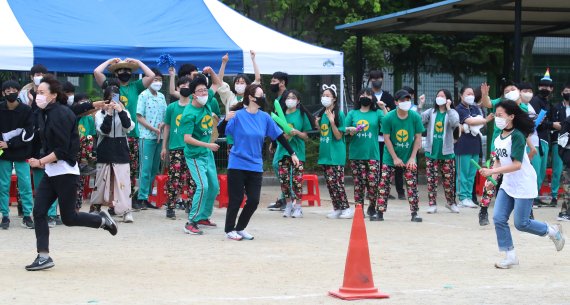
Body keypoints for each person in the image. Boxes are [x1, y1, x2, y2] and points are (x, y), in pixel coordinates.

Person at [25, 75, 117, 271]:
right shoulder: (46, 112)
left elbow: (61, 151)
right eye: (36, 92)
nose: (37, 95)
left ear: (53, 95)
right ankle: (43, 256)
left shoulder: (59, 114)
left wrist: (40, 161)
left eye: (41, 92)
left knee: (69, 218)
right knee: (39, 212)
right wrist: (93, 104)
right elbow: (73, 110)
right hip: (51, 172)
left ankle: (101, 220)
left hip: (65, 172)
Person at [479, 99, 565, 269]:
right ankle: (510, 256)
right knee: (498, 218)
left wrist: (491, 173)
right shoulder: (497, 138)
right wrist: (493, 181)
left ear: (511, 116)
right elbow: (498, 162)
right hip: (508, 183)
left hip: (524, 183)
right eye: (496, 115)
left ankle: (552, 231)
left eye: (500, 115)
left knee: (521, 223)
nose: (497, 118)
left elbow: (517, 165)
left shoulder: (517, 136)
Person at [219, 84, 299, 240]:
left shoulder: (265, 117)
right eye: (260, 95)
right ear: (251, 97)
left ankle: (240, 227)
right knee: (236, 199)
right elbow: (221, 131)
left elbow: (279, 136)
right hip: (237, 164)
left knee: (254, 200)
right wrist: (224, 120)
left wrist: (292, 153)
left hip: (255, 165)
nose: (263, 98)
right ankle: (229, 230)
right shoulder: (238, 115)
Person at [94, 58, 155, 210]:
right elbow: (96, 72)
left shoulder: (135, 86)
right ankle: (110, 202)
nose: (125, 73)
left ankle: (126, 201)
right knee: (109, 171)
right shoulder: (111, 87)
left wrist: (138, 62)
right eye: (121, 70)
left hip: (130, 134)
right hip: (109, 136)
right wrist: (109, 62)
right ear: (115, 73)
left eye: (128, 70)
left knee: (130, 170)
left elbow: (151, 76)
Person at [90, 82, 135, 223]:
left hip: (121, 149)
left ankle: (126, 211)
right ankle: (96, 208)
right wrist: (108, 113)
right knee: (101, 180)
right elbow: (104, 130)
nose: (112, 102)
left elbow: (128, 127)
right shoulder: (99, 114)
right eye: (109, 99)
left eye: (115, 98)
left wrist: (120, 111)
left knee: (122, 181)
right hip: (105, 148)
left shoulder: (125, 112)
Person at [377, 90, 425, 222]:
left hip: (409, 155)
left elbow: (418, 138)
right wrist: (395, 158)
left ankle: (415, 213)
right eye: (402, 100)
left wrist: (412, 157)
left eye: (408, 100)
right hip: (390, 156)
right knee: (384, 183)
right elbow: (386, 139)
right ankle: (379, 212)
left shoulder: (415, 117)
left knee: (412, 184)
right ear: (396, 102)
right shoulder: (388, 118)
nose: (405, 102)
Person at [180, 75, 220, 235]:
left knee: (214, 187)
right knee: (203, 186)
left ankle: (203, 216)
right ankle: (191, 221)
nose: (204, 93)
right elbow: (187, 139)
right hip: (195, 155)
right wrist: (208, 144)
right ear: (193, 95)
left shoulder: (207, 100)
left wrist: (213, 70)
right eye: (200, 91)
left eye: (205, 89)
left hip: (207, 154)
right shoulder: (189, 113)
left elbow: (217, 83)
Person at [275, 89, 315, 218]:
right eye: (288, 97)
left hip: (298, 152)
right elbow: (275, 134)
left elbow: (306, 136)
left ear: (298, 101)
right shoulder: (280, 115)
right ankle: (288, 205)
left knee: (297, 180)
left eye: (293, 98)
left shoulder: (302, 115)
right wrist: (283, 136)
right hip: (283, 151)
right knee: (284, 180)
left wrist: (296, 132)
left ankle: (298, 206)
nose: (290, 100)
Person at [0, 80, 35, 230]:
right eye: (8, 91)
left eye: (14, 90)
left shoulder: (26, 110)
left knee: (26, 185)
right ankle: (5, 216)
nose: (11, 93)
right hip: (2, 153)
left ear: (19, 91)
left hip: (22, 153)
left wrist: (10, 144)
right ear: (3, 93)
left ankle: (27, 215)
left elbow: (29, 134)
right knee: (3, 185)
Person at [345, 89, 385, 219]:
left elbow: (388, 123)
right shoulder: (352, 114)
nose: (365, 97)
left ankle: (372, 206)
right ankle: (358, 208)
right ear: (358, 98)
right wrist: (349, 130)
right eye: (362, 95)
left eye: (368, 95)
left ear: (373, 98)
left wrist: (384, 108)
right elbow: (342, 130)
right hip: (356, 154)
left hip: (372, 154)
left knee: (373, 183)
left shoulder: (377, 113)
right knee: (359, 183)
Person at [161, 77, 196, 219]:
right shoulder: (172, 107)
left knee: (192, 179)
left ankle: (191, 205)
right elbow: (167, 127)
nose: (186, 87)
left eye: (188, 85)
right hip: (175, 147)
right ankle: (170, 206)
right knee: (174, 178)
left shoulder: (195, 107)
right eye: (183, 85)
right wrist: (164, 147)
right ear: (177, 88)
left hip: (192, 147)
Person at [421, 89, 460, 214]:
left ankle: (451, 202)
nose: (439, 98)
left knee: (449, 180)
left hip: (447, 152)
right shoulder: (431, 112)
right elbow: (420, 121)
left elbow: (455, 123)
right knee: (431, 180)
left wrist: (448, 108)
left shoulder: (452, 112)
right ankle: (432, 204)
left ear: (448, 99)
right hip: (431, 152)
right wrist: (420, 106)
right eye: (438, 95)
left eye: (442, 96)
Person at [315, 84, 351, 219]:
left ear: (334, 99)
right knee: (330, 183)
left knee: (337, 182)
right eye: (323, 95)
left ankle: (346, 207)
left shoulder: (339, 114)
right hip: (325, 153)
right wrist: (318, 125)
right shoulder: (321, 113)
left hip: (336, 154)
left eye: (328, 96)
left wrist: (332, 122)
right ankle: (337, 208)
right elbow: (324, 134)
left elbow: (338, 136)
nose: (324, 98)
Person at [135, 68, 167, 209]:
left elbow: (166, 116)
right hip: (146, 137)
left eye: (160, 80)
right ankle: (141, 197)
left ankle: (147, 196)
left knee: (154, 168)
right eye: (155, 79)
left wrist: (163, 123)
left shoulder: (161, 96)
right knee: (145, 168)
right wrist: (153, 128)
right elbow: (139, 116)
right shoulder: (143, 95)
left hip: (158, 138)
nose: (157, 82)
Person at [455, 86, 491, 208]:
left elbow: (476, 122)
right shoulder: (459, 109)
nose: (471, 96)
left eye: (472, 94)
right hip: (462, 146)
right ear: (461, 96)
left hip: (475, 145)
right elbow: (471, 122)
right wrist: (485, 120)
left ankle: (468, 197)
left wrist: (479, 121)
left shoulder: (475, 108)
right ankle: (462, 197)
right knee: (462, 174)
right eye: (467, 93)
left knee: (471, 174)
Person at [368, 70, 399, 200]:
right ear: (370, 80)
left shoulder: (388, 97)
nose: (377, 80)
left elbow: (393, 114)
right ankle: (370, 190)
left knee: (383, 164)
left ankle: (383, 190)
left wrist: (384, 109)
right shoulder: (367, 95)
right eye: (374, 78)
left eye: (379, 78)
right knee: (371, 164)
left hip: (384, 137)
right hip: (370, 136)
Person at [530, 69, 554, 205]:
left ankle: (536, 195)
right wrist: (551, 124)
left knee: (542, 169)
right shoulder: (535, 101)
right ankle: (532, 196)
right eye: (542, 85)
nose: (545, 88)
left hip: (545, 139)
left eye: (548, 86)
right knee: (536, 169)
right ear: (538, 87)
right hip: (536, 139)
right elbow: (537, 123)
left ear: (552, 88)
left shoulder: (548, 103)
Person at [267, 71, 290, 211]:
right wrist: (274, 140)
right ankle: (285, 196)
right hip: (280, 138)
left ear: (282, 83)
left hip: (289, 138)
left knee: (279, 165)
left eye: (274, 81)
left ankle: (288, 196)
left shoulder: (288, 98)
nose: (272, 83)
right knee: (279, 166)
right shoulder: (278, 99)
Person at [548, 82, 570, 207]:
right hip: (560, 142)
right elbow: (551, 122)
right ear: (562, 93)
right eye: (566, 91)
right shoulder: (556, 107)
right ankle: (554, 195)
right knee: (558, 169)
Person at [557, 110, 570, 221]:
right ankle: (565, 212)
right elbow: (562, 142)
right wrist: (566, 158)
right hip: (569, 161)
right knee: (568, 189)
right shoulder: (567, 121)